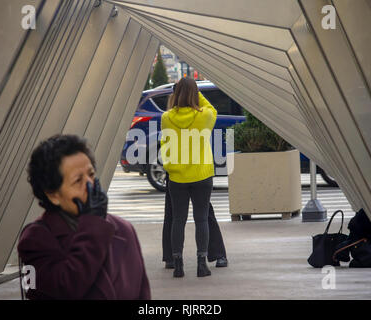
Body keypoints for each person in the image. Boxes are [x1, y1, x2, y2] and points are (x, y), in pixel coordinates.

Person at [17, 134, 151, 299]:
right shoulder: (35, 240)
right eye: (78, 181)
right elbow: (66, 288)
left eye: (91, 174)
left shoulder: (124, 229)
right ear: (53, 195)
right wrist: (93, 225)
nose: (90, 185)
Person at [160, 77, 217, 278]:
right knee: (201, 219)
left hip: (177, 177)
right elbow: (212, 109)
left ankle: (178, 265)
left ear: (175, 94)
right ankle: (202, 264)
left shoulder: (166, 118)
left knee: (178, 220)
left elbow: (165, 144)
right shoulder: (204, 116)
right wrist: (196, 93)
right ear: (195, 94)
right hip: (201, 175)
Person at [162, 173, 228, 269]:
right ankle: (215, 254)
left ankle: (172, 257)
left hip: (177, 172)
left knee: (175, 214)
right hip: (199, 172)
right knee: (203, 214)